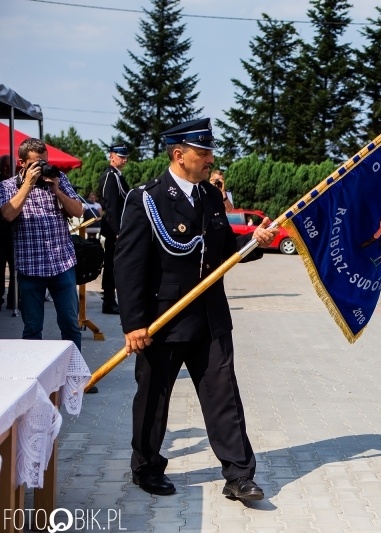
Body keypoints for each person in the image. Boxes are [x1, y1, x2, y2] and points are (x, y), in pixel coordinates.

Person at [115, 118, 279, 500]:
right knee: (153, 396)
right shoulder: (147, 198)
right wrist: (134, 323)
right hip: (163, 320)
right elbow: (128, 266)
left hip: (209, 317)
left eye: (209, 152)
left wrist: (254, 241)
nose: (210, 159)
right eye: (203, 152)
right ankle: (146, 467)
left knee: (224, 396)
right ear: (179, 154)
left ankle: (239, 475)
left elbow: (221, 253)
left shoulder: (209, 196)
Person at [0, 139, 83, 348]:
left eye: (44, 162)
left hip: (62, 264)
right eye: (37, 163)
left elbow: (78, 211)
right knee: (33, 328)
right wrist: (28, 184)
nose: (42, 167)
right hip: (30, 268)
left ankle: (75, 378)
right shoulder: (7, 186)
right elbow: (8, 214)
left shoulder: (58, 178)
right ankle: (37, 378)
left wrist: (57, 191)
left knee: (70, 325)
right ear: (22, 163)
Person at [99, 144, 130, 314]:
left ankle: (111, 300)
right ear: (112, 156)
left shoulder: (116, 175)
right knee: (112, 265)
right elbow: (110, 207)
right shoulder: (111, 176)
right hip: (113, 229)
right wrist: (118, 231)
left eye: (126, 157)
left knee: (115, 265)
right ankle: (109, 301)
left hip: (117, 228)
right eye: (120, 157)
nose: (124, 160)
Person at [0, 154, 14, 309]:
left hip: (13, 233)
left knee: (15, 270)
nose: (6, 170)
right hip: (1, 233)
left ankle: (13, 299)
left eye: (9, 167)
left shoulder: (18, 184)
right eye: (4, 167)